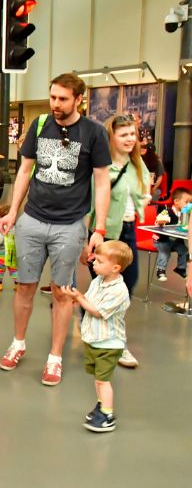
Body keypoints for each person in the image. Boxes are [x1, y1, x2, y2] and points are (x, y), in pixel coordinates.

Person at [0, 73, 111, 386]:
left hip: (70, 224)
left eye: (63, 99)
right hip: (32, 220)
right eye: (53, 97)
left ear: (78, 99)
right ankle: (18, 343)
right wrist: (12, 211)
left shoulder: (94, 133)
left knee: (63, 293)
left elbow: (102, 183)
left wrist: (98, 229)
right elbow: (24, 170)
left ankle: (55, 358)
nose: (56, 104)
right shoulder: (39, 125)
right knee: (24, 286)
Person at [88, 114, 151, 369]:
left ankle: (96, 325)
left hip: (128, 230)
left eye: (132, 134)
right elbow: (90, 202)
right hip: (104, 232)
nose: (129, 139)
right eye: (123, 134)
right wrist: (89, 237)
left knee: (129, 282)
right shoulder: (101, 166)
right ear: (111, 137)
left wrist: (143, 202)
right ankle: (114, 343)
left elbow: (143, 188)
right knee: (105, 289)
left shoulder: (137, 164)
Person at [61, 240, 132, 433]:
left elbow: (98, 311)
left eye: (99, 261)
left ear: (115, 267)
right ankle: (101, 406)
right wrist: (79, 299)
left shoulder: (119, 291)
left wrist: (79, 299)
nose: (94, 263)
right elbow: (90, 300)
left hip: (109, 343)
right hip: (95, 340)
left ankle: (107, 415)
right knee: (98, 379)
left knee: (103, 380)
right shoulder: (98, 281)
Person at [154, 188, 192, 280]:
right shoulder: (167, 211)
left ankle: (180, 268)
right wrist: (160, 221)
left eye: (190, 202)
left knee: (184, 250)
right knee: (165, 252)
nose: (189, 205)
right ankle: (160, 270)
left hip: (175, 240)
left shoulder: (186, 214)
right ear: (176, 201)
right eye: (186, 202)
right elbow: (158, 219)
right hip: (162, 240)